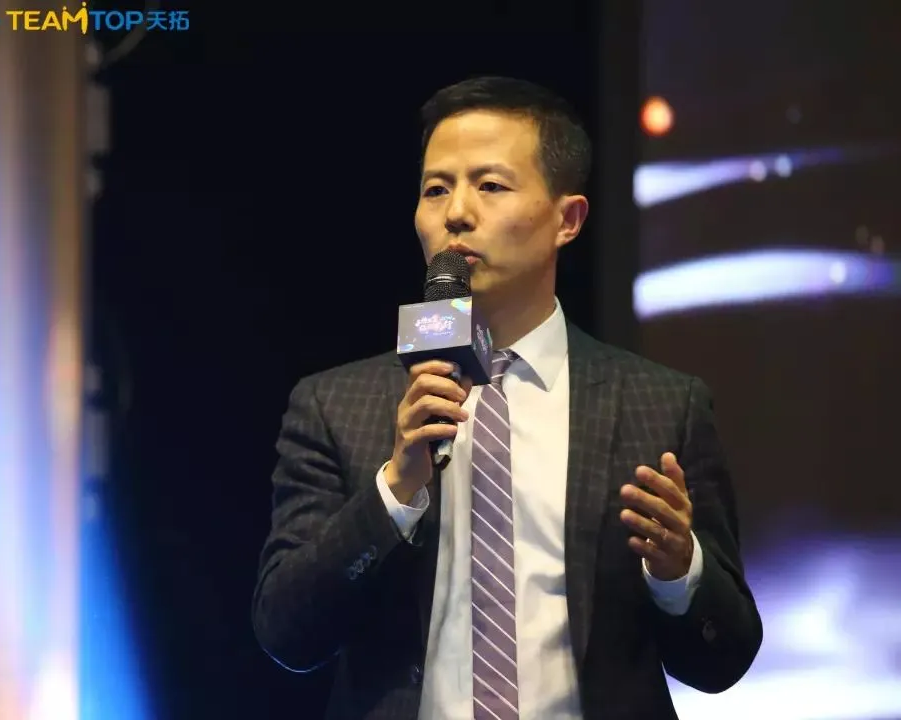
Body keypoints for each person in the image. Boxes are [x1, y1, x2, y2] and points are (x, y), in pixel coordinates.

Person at [252, 76, 762, 720]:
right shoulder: (335, 405)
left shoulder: (662, 405)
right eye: (436, 189)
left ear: (567, 220)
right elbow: (287, 633)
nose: (456, 213)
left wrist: (678, 571)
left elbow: (724, 660)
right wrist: (393, 493)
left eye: (490, 186)